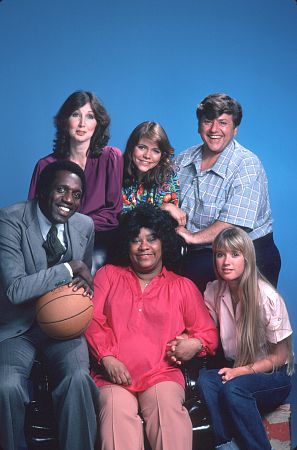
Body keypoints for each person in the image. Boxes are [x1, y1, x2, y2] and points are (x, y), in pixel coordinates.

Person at [85, 204, 218, 450]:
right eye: (136, 240)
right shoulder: (108, 275)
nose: (144, 246)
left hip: (162, 374)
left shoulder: (182, 287)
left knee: (168, 414)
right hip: (113, 376)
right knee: (115, 417)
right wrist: (106, 358)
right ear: (127, 245)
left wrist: (195, 343)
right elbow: (91, 319)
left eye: (151, 239)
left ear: (163, 244)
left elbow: (207, 333)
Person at [0, 161, 98, 450]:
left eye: (77, 194)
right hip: (18, 328)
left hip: (63, 328)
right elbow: (16, 290)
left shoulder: (85, 225)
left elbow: (85, 275)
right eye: (61, 190)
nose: (69, 200)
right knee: (5, 387)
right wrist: (69, 268)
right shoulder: (10, 220)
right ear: (43, 190)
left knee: (79, 380)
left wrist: (83, 286)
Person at [196, 227, 293, 450]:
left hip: (271, 375)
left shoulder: (266, 297)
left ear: (247, 258)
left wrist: (241, 372)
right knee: (207, 381)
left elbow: (281, 356)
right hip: (236, 369)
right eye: (220, 254)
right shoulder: (213, 291)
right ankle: (228, 446)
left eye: (235, 254)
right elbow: (204, 331)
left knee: (234, 389)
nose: (226, 261)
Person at [175, 93, 281, 292]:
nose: (214, 129)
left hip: (246, 254)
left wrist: (193, 238)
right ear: (199, 126)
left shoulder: (247, 164)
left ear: (235, 129)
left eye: (223, 122)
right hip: (198, 252)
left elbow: (233, 224)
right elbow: (165, 195)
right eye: (208, 121)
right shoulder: (184, 159)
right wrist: (168, 207)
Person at [28, 90, 123, 270]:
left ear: (98, 123)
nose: (81, 124)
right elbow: (33, 216)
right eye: (75, 115)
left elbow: (112, 213)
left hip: (98, 239)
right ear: (65, 121)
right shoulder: (45, 165)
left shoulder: (111, 157)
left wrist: (73, 225)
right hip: (54, 241)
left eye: (90, 117)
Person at [122, 121, 186, 225]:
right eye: (142, 147)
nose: (147, 155)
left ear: (162, 155)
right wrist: (163, 208)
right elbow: (121, 219)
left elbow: (164, 225)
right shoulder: (116, 171)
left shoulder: (168, 177)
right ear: (131, 147)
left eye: (156, 151)